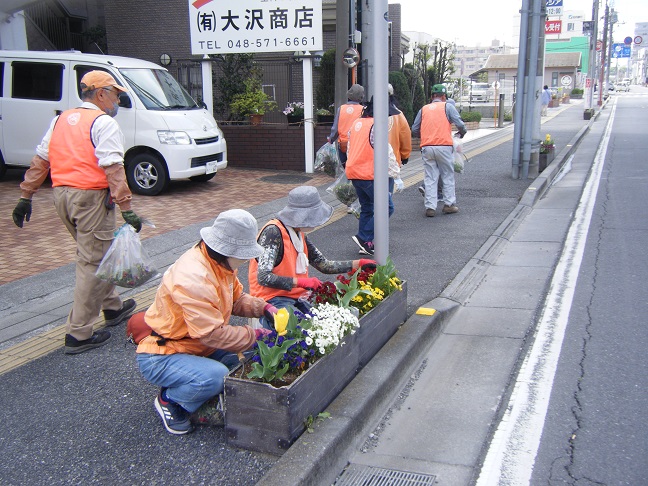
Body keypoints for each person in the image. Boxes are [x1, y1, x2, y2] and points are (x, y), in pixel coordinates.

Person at [11, 70, 142, 355]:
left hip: (62, 196)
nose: (117, 99)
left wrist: (26, 195)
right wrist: (127, 208)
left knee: (95, 253)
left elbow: (41, 159)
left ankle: (113, 305)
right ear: (100, 93)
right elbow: (113, 167)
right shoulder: (102, 122)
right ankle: (79, 332)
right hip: (91, 198)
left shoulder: (60, 120)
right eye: (115, 94)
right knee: (92, 261)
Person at [132, 209, 277, 435]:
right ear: (224, 249)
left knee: (249, 357)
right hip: (163, 354)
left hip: (196, 345)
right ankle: (170, 401)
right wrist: (257, 335)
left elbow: (236, 299)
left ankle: (192, 383)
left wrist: (264, 308)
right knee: (216, 376)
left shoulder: (221, 264)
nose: (248, 258)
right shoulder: (194, 277)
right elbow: (212, 335)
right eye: (244, 252)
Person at [249, 186, 375, 325]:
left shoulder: (298, 233)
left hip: (296, 297)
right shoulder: (273, 233)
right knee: (299, 328)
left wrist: (358, 264)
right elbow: (263, 277)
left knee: (323, 323)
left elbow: (323, 264)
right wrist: (303, 282)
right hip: (271, 300)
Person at [346, 101, 398, 255]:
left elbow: (350, 147)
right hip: (370, 173)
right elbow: (385, 153)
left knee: (367, 208)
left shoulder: (357, 123)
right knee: (386, 208)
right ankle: (364, 237)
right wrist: (395, 173)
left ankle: (366, 244)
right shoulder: (377, 125)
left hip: (354, 171)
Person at [411, 84, 467, 218]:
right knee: (447, 174)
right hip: (444, 146)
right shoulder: (447, 106)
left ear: (431, 96)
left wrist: (424, 135)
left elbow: (414, 129)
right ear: (444, 97)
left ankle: (430, 207)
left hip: (427, 146)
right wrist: (461, 133)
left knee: (430, 177)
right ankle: (449, 204)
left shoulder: (423, 109)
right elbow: (460, 124)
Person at [328, 84, 365, 166]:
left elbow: (335, 128)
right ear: (361, 96)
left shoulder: (341, 109)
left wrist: (331, 139)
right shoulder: (362, 110)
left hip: (343, 145)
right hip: (356, 144)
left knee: (345, 168)